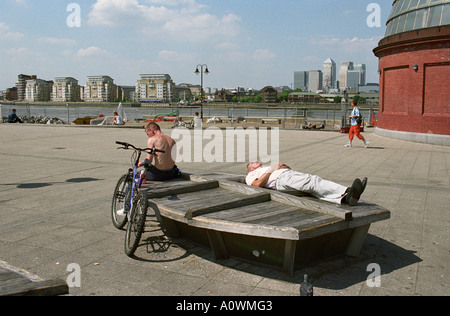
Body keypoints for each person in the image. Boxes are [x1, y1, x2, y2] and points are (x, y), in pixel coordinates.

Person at [246, 161, 367, 206]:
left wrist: (285, 167)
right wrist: (271, 170)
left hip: (287, 175)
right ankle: (347, 191)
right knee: (313, 182)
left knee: (313, 184)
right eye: (252, 162)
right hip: (281, 180)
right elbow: (257, 184)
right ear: (250, 169)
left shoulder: (264, 168)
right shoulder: (251, 175)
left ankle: (346, 198)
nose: (256, 161)